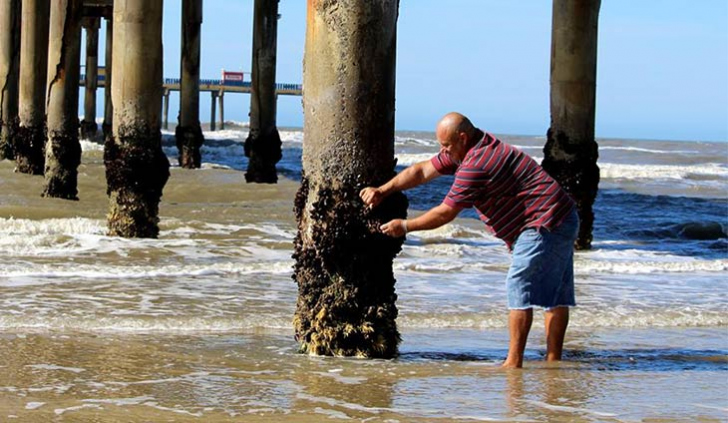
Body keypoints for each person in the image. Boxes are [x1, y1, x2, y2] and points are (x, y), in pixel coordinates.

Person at [360, 112, 579, 368]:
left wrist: (406, 226)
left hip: (545, 222)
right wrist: (383, 190)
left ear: (462, 138)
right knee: (555, 295)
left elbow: (446, 212)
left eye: (446, 146)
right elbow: (422, 171)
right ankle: (553, 361)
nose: (443, 151)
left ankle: (513, 362)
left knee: (519, 285)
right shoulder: (467, 148)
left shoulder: (477, 164)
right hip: (561, 215)